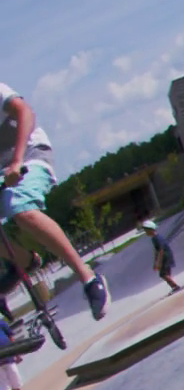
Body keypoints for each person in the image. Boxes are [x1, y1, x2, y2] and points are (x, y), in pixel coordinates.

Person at [1, 82, 110, 319]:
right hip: (2, 173)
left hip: (29, 156)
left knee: (20, 207)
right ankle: (25, 261)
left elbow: (25, 112)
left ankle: (88, 277)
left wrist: (17, 161)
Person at [140, 219, 184, 294]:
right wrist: (155, 263)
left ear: (151, 229)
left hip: (166, 256)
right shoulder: (154, 238)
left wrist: (159, 263)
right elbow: (156, 251)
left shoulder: (157, 238)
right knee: (165, 274)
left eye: (146, 230)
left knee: (163, 274)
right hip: (165, 256)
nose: (145, 232)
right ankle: (174, 286)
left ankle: (176, 287)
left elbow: (161, 250)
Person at [0, 314, 26, 390]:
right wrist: (18, 353)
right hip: (9, 357)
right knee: (16, 388)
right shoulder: (1, 322)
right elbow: (11, 338)